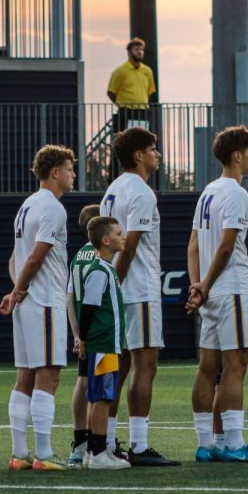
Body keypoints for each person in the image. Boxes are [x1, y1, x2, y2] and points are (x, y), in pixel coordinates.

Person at [185, 125, 248, 463]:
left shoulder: (208, 191)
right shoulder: (237, 193)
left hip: (210, 292)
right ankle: (235, 444)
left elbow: (193, 245)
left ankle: (209, 443)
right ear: (237, 155)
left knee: (208, 368)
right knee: (236, 365)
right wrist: (205, 285)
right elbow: (226, 246)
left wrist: (197, 286)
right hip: (230, 288)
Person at [101, 127, 178, 466]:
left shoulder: (112, 190)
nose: (157, 154)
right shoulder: (142, 192)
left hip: (119, 287)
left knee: (117, 368)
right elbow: (129, 246)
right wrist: (115, 287)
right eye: (152, 148)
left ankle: (105, 440)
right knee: (145, 366)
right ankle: (139, 445)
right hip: (138, 290)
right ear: (138, 155)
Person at [0, 145, 76, 471]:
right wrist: (19, 291)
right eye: (70, 169)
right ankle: (43, 454)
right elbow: (35, 256)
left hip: (28, 302)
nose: (74, 174)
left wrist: (16, 292)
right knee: (49, 376)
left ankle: (19, 454)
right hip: (44, 301)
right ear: (54, 171)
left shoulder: (26, 206)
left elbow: (15, 258)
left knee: (24, 377)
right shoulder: (53, 209)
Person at [78, 216, 133, 469]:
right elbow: (88, 308)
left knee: (100, 396)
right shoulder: (99, 271)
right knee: (102, 397)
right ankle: (98, 452)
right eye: (118, 233)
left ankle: (93, 450)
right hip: (103, 345)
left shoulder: (107, 269)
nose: (123, 237)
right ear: (105, 240)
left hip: (107, 344)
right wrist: (83, 339)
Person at [65, 204, 101, 466]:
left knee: (82, 382)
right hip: (99, 332)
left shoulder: (78, 257)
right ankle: (99, 443)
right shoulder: (101, 257)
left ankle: (79, 442)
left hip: (83, 331)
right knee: (100, 388)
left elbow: (70, 298)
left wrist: (76, 334)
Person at [107, 37, 157, 109]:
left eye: (141, 49)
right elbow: (111, 92)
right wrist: (121, 106)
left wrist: (143, 105)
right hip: (126, 112)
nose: (140, 52)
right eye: (136, 49)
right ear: (129, 52)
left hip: (142, 112)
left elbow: (150, 91)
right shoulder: (119, 71)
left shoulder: (148, 71)